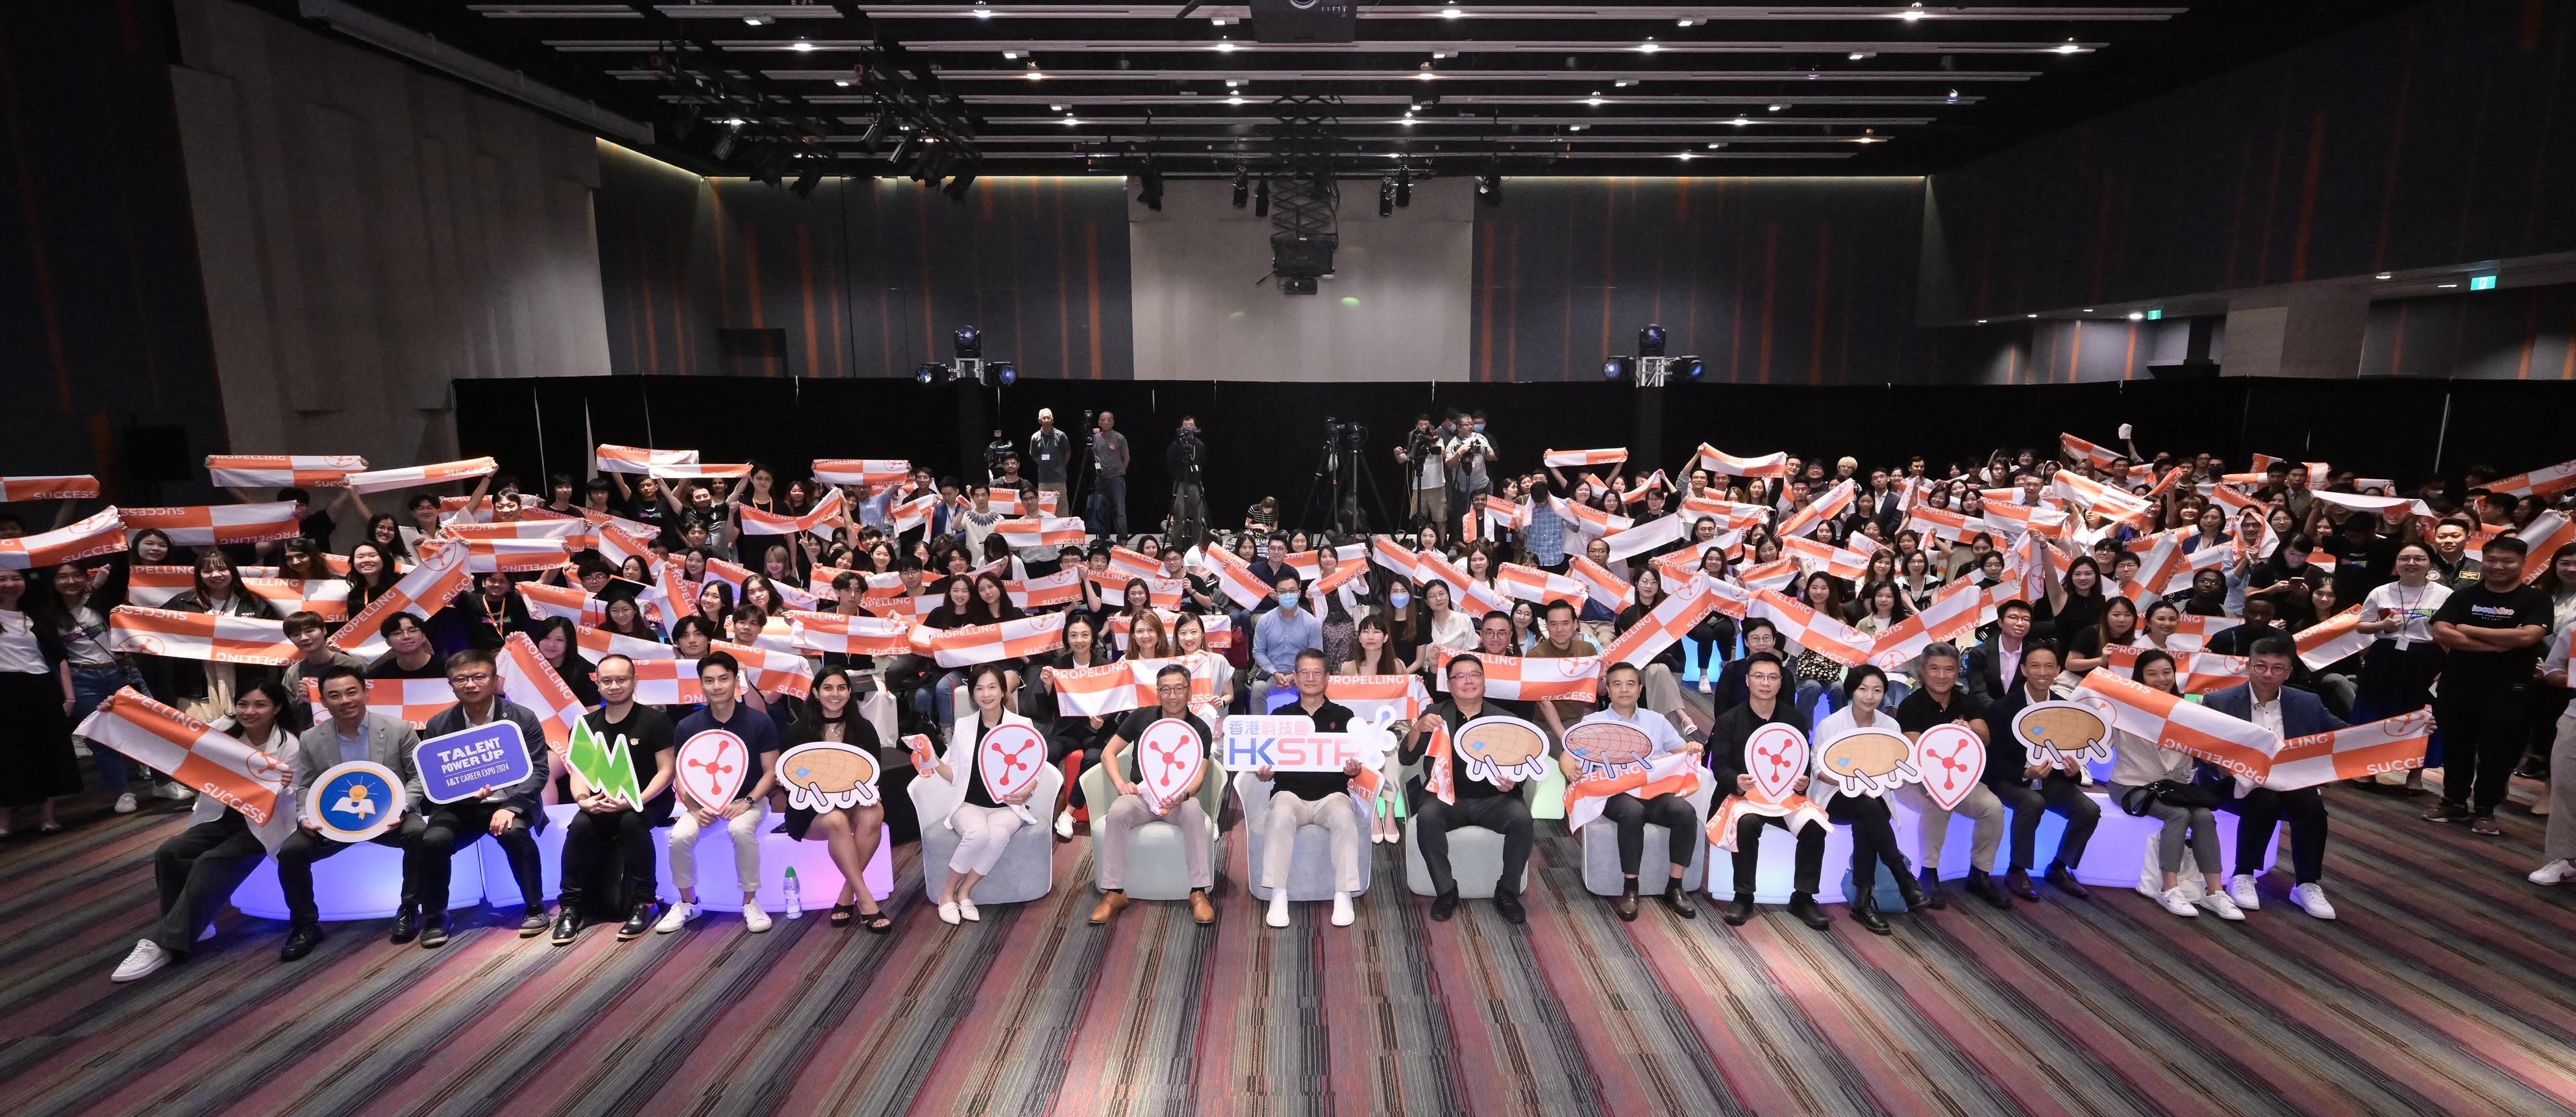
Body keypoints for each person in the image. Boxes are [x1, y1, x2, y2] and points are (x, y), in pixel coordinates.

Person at [112, 681, 296, 983]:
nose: (250, 712)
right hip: (222, 817)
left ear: (277, 708)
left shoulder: (290, 746)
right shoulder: (222, 730)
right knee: (171, 852)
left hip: (265, 824)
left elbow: (296, 796)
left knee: (213, 861)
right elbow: (168, 729)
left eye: (260, 705)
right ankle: (191, 925)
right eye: (243, 704)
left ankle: (165, 943)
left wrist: (284, 785)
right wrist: (121, 712)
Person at [273, 665, 426, 960]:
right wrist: (304, 816)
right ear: (324, 702)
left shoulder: (398, 729)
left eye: (351, 692)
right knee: (291, 851)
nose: (345, 700)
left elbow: (418, 776)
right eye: (335, 695)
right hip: (333, 823)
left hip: (390, 819)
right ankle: (306, 924)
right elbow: (305, 785)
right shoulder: (311, 738)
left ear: (365, 693)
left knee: (420, 835)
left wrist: (402, 807)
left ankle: (410, 908)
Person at [406, 649, 551, 949]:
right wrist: (461, 791)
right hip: (460, 807)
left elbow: (538, 771)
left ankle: (535, 906)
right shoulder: (439, 724)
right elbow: (435, 778)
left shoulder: (522, 718)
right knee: (431, 840)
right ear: (451, 684)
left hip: (510, 801)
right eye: (461, 679)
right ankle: (435, 915)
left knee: (515, 835)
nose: (470, 684)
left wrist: (511, 806)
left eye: (478, 677)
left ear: (494, 679)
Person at [2203, 636, 2344, 919]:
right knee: (2263, 799)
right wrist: (2218, 766)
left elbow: (2346, 735)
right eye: (2261, 666)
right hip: (2236, 785)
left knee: (2312, 805)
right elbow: (2201, 749)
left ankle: (2306, 883)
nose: (2268, 674)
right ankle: (2244, 874)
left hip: (2290, 782)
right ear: (2248, 666)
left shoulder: (2308, 702)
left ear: (2289, 671)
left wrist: (2405, 731)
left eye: (2277, 668)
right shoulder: (2218, 701)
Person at [2104, 651, 2244, 920]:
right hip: (2130, 785)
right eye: (2152, 674)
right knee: (2178, 814)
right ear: (2140, 678)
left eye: (2167, 672)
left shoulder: (2188, 712)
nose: (2161, 679)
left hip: (2174, 788)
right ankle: (2169, 888)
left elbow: (2207, 752)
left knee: (2204, 815)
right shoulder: (2124, 710)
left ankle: (2214, 892)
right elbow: (2099, 739)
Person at [2427, 534, 2553, 833]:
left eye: (2507, 561)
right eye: (2492, 560)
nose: (2498, 566)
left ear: (2523, 564)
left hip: (2509, 690)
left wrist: (2469, 629)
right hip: (2459, 684)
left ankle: (2485, 809)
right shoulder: (2464, 596)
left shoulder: (2535, 599)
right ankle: (2453, 801)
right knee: (2457, 747)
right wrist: (2498, 644)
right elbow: (2442, 633)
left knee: (2498, 753)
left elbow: (2527, 637)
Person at [1400, 654, 1536, 923]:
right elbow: (1406, 759)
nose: (1468, 681)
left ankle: (1507, 891)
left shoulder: (1506, 719)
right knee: (1427, 818)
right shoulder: (1435, 715)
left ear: (1485, 682)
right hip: (1447, 798)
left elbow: (1521, 765)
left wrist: (1514, 781)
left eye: (1475, 674)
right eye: (1460, 676)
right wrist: (1416, 728)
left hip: (1494, 799)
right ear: (1449, 685)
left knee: (1522, 820)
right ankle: (1446, 891)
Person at [1568, 662, 1705, 921]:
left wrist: (1693, 748)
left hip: (1653, 790)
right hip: (1614, 793)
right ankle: (1630, 887)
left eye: (1631, 684)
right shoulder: (1593, 722)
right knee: (1632, 813)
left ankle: (1675, 886)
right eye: (1617, 684)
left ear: (1640, 689)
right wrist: (1570, 769)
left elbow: (1679, 750)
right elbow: (1570, 754)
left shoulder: (1657, 720)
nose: (1624, 689)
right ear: (1607, 690)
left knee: (1685, 812)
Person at [659, 651, 783, 933]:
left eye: (723, 679)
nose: (717, 686)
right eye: (710, 680)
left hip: (749, 800)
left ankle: (750, 902)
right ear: (701, 684)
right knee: (679, 837)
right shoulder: (687, 726)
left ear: (735, 680)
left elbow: (771, 772)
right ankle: (688, 903)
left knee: (740, 830)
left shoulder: (759, 721)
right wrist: (693, 808)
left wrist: (748, 801)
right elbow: (682, 774)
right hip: (702, 804)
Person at [557, 653, 676, 944]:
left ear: (634, 681)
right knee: (581, 824)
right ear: (597, 684)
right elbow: (580, 773)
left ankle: (645, 902)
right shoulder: (585, 724)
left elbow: (666, 772)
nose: (614, 686)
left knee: (630, 821)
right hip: (602, 798)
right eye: (607, 680)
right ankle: (571, 906)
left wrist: (635, 800)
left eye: (621, 679)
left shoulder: (654, 721)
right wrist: (583, 799)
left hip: (651, 799)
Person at [1088, 664, 1219, 927]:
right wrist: (1121, 784)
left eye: (1179, 688)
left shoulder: (1199, 729)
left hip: (1178, 799)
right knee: (1119, 811)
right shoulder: (1141, 717)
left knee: (1194, 812)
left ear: (1189, 691)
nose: (1173, 695)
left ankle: (1199, 892)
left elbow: (1199, 776)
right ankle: (1114, 893)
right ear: (1157, 693)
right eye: (1166, 689)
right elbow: (1107, 753)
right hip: (1141, 795)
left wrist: (1184, 795)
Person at [1810, 665, 1935, 934]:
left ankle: (1863, 903)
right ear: (1852, 691)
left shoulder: (1890, 725)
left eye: (1877, 690)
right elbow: (1819, 771)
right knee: (1868, 810)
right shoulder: (1831, 725)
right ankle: (1902, 877)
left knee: (1868, 816)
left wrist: (1897, 778)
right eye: (1863, 689)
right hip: (1835, 798)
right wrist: (1852, 783)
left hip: (1875, 799)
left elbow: (1899, 765)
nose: (1870, 696)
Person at [1709, 653, 1829, 929]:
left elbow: (1803, 760)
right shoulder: (1729, 720)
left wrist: (1804, 781)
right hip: (1743, 797)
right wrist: (1737, 781)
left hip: (1784, 797)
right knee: (1747, 823)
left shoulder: (1793, 718)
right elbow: (1720, 765)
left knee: (1814, 825)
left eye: (1773, 677)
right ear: (1748, 681)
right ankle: (1743, 895)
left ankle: (1804, 896)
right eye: (1760, 677)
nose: (1766, 683)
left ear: (1780, 683)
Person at [1890, 644, 2011, 909]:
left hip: (1961, 779)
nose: (1942, 676)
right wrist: (1947, 732)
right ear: (1923, 671)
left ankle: (1980, 874)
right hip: (1916, 781)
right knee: (1938, 802)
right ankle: (1928, 872)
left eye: (1949, 669)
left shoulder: (1969, 702)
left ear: (1958, 672)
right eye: (1935, 669)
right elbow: (1916, 750)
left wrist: (1968, 731)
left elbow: (1985, 738)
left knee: (1993, 808)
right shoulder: (1910, 705)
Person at [1977, 642, 2101, 900]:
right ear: (2024, 669)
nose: (2042, 672)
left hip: (2052, 780)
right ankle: (2016, 870)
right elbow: (1991, 759)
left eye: (2048, 666)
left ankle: (2058, 867)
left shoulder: (2064, 708)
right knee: (2032, 802)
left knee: (2090, 810)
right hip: (2010, 780)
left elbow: (2072, 752)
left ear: (2057, 670)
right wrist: (2025, 771)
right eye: (2035, 666)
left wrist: (2073, 771)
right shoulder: (2002, 708)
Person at [1254, 649, 1364, 929]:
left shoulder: (1344, 716)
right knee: (1279, 815)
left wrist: (1354, 770)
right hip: (1290, 794)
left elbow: (1355, 765)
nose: (1311, 678)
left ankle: (1343, 894)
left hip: (1332, 795)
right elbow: (1266, 770)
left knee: (1344, 816)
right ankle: (1278, 895)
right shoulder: (1280, 716)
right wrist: (1264, 773)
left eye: (1317, 672)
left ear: (1327, 678)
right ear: (1296, 677)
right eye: (1305, 672)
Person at [779, 665, 889, 933]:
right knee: (837, 820)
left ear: (850, 692)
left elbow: (873, 777)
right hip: (810, 813)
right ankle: (866, 901)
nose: (835, 694)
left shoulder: (862, 729)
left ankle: (846, 895)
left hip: (851, 804)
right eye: (828, 688)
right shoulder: (798, 732)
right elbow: (789, 780)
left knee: (874, 812)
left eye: (841, 687)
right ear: (816, 692)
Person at [930, 664, 1041, 924]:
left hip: (1006, 807)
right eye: (979, 688)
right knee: (978, 833)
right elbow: (954, 774)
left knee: (998, 834)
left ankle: (965, 891)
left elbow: (1034, 770)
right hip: (969, 804)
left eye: (992, 687)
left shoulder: (1022, 724)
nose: (986, 694)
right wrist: (932, 760)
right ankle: (947, 894)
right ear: (972, 694)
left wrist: (1028, 791)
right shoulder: (965, 725)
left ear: (1003, 691)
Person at [53, 562, 144, 813]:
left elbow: (122, 575)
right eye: (62, 577)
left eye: (75, 575)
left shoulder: (100, 602)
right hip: (82, 679)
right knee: (100, 737)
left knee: (145, 727)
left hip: (117, 672)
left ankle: (162, 781)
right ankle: (123, 792)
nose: (70, 581)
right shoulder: (50, 615)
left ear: (86, 578)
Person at [0, 568, 77, 836]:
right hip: (4, 691)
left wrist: (69, 697)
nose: (10, 584)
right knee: (7, 755)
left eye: (16, 578)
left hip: (41, 688)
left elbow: (60, 658)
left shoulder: (38, 616)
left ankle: (48, 815)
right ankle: (4, 819)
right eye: (2, 579)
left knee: (50, 752)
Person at [2530, 625, 2576, 883]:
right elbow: (2551, 671)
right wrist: (2571, 678)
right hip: (2575, 716)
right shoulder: (2574, 630)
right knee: (2567, 786)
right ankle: (2566, 858)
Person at [277, 610, 365, 733]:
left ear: (324, 631)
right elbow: (286, 715)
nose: (304, 638)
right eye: (296, 634)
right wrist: (301, 701)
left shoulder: (353, 666)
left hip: (356, 731)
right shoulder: (293, 674)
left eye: (309, 631)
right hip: (312, 736)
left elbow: (375, 702)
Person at [1525, 599, 1599, 742]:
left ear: (1575, 624)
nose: (1559, 629)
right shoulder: (1535, 656)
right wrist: (1565, 739)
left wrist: (1601, 676)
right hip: (1545, 725)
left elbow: (1599, 691)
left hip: (1581, 719)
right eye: (1554, 624)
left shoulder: (1587, 649)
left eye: (1565, 623)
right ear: (1546, 625)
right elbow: (1543, 703)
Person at [1248, 573, 1319, 712]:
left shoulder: (1312, 622)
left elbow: (1316, 655)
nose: (1288, 595)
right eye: (1283, 592)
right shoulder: (1265, 621)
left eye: (1292, 591)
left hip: (1302, 675)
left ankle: (1310, 728)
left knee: (1316, 688)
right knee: (1257, 689)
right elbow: (1258, 651)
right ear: (1276, 595)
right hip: (1272, 674)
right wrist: (1274, 672)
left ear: (1299, 593)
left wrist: (1296, 674)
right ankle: (1261, 732)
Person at [1964, 599, 2034, 702]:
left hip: (2021, 713)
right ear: (2000, 622)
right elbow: (1978, 692)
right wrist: (2000, 711)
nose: (2020, 623)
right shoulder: (1980, 653)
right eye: (2013, 618)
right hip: (1985, 712)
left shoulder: (2032, 653)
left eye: (2026, 619)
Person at [367, 613, 447, 681]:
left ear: (423, 637)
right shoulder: (379, 676)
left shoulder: (447, 669)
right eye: (397, 633)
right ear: (388, 642)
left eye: (412, 631)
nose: (406, 636)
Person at [1167, 415, 1207, 538]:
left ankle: (1198, 546)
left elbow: (1203, 463)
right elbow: (1170, 463)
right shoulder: (1175, 445)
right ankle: (1178, 547)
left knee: (1198, 518)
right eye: (1186, 425)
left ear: (1195, 427)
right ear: (1181, 427)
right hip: (1180, 483)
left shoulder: (1200, 445)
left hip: (1195, 483)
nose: (1188, 428)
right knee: (1179, 518)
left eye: (1191, 425)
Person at [1091, 410, 1132, 535]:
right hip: (1101, 478)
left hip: (1116, 479)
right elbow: (1094, 456)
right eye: (1103, 420)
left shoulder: (1119, 437)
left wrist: (1121, 472)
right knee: (1101, 509)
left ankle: (1123, 539)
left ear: (1113, 422)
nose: (1106, 422)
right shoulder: (1095, 438)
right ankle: (1104, 537)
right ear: (1099, 422)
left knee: (1119, 510)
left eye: (1109, 420)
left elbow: (1127, 457)